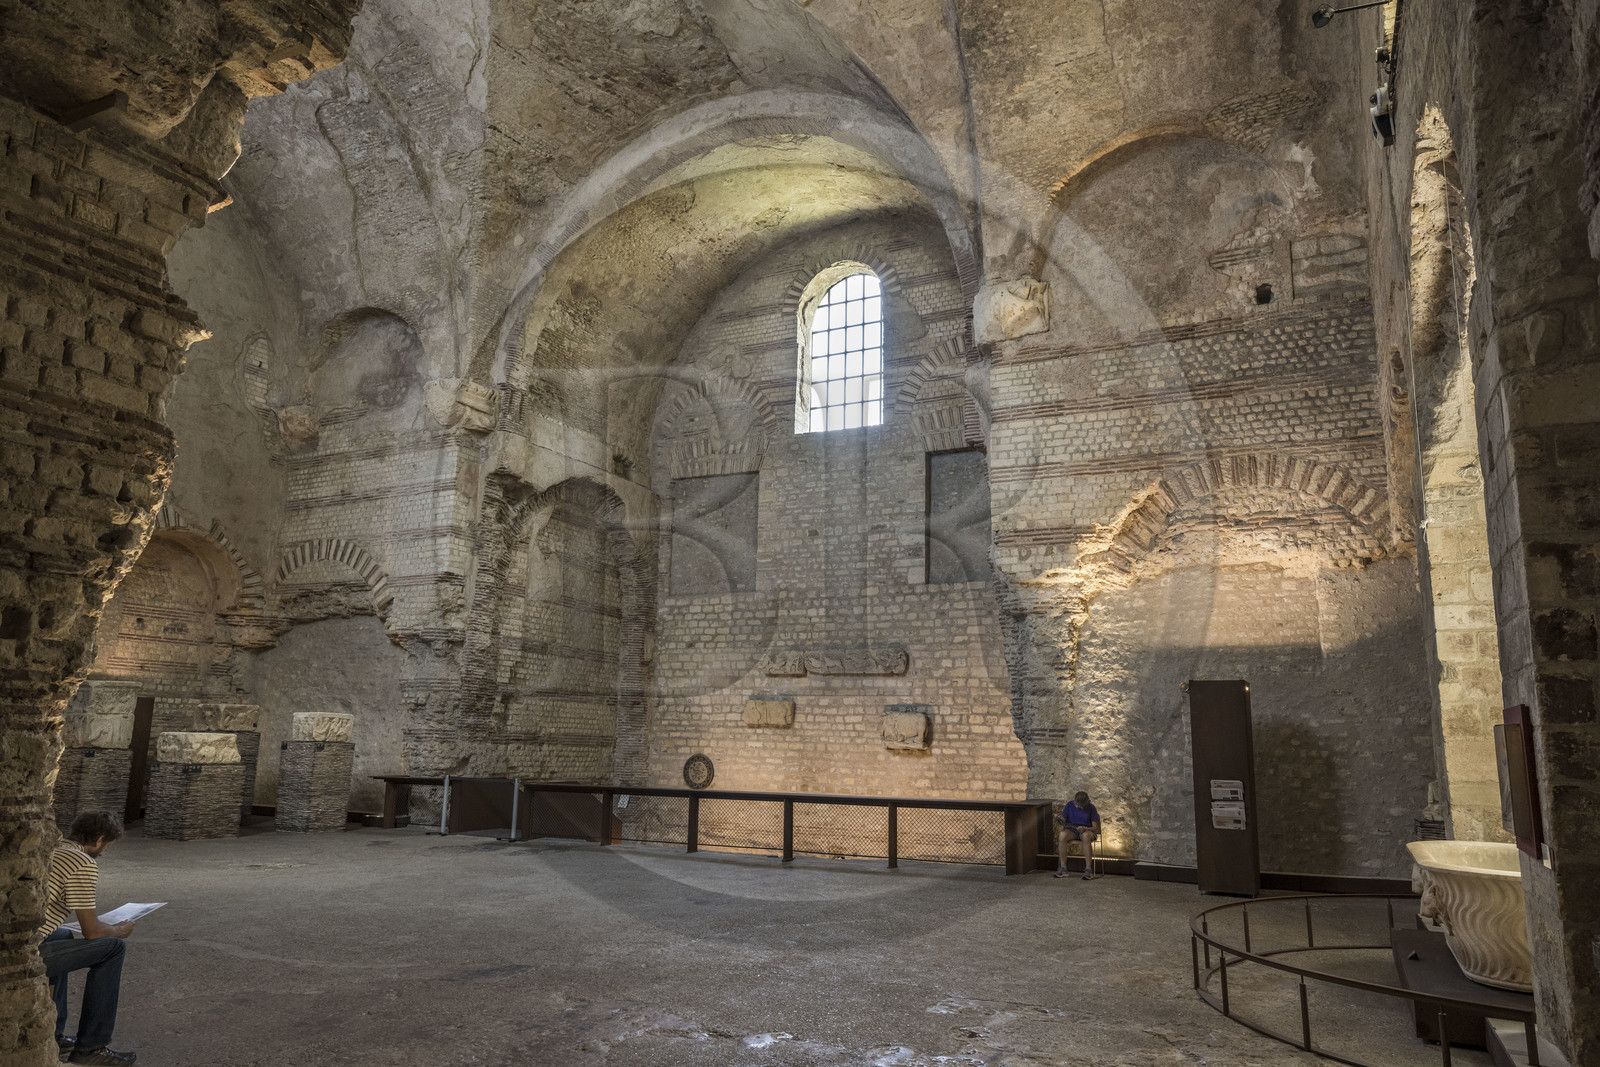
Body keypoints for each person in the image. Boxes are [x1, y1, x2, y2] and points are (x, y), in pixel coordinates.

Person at [35, 810, 138, 1065]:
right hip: (28, 952)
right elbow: (92, 932)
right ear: (100, 839)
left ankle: (54, 1034)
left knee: (63, 934)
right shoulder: (82, 862)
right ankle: (91, 1047)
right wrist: (119, 930)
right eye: (107, 846)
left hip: (28, 939)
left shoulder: (56, 848)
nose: (104, 853)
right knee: (113, 948)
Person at [1054, 791, 1101, 880]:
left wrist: (1085, 828)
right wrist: (1058, 818)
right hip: (1073, 830)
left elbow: (1095, 828)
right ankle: (1063, 868)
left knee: (1086, 836)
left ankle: (1088, 869)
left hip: (1087, 830)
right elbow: (1063, 820)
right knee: (1062, 835)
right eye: (1076, 804)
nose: (1077, 806)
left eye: (1079, 805)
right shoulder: (1069, 805)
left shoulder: (1091, 808)